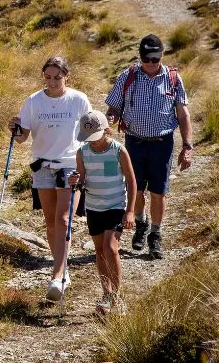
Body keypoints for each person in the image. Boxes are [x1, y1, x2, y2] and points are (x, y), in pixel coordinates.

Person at [9, 55, 91, 302]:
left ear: (67, 76)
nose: (52, 82)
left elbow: (89, 133)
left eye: (57, 77)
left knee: (64, 219)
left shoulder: (78, 100)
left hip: (70, 165)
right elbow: (22, 138)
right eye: (48, 77)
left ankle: (57, 276)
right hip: (42, 166)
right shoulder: (33, 101)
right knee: (51, 222)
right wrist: (14, 129)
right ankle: (62, 267)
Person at [105, 34, 192, 260]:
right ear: (140, 56)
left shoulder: (173, 78)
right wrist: (110, 119)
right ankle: (141, 223)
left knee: (158, 191)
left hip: (162, 144)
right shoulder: (128, 76)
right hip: (134, 143)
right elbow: (114, 108)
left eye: (155, 58)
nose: (151, 63)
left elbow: (182, 114)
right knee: (136, 189)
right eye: (146, 59)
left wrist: (187, 146)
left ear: (162, 55)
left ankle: (155, 233)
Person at [70, 110, 136, 316]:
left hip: (116, 205)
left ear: (106, 131)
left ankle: (117, 296)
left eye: (95, 137)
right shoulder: (82, 152)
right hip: (93, 207)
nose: (92, 142)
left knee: (111, 248)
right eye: (88, 138)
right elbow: (81, 179)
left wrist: (130, 211)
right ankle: (106, 294)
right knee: (99, 251)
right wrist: (75, 181)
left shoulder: (118, 150)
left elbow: (131, 181)